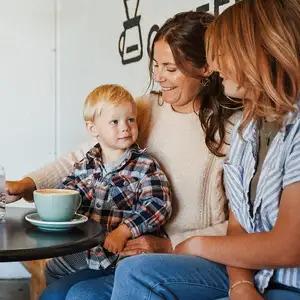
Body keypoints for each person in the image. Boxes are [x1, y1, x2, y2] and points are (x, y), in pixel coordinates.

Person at [7, 11, 241, 300]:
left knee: (82, 295)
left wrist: (168, 244)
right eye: (156, 65)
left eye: (170, 67)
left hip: (186, 256)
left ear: (206, 68)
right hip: (129, 249)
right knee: (54, 293)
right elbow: (82, 158)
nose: (158, 77)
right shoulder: (144, 108)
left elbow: (239, 226)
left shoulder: (232, 129)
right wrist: (28, 184)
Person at [104, 1, 300, 299]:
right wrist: (241, 284)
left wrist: (195, 243)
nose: (217, 66)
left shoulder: (268, 128)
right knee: (105, 282)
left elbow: (290, 246)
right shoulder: (250, 130)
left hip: (286, 282)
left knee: (132, 275)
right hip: (250, 274)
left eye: (222, 54)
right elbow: (240, 228)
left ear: (257, 52)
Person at [55, 83, 172, 270]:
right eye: (115, 122)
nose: (125, 127)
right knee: (54, 266)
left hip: (123, 256)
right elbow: (68, 189)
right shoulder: (87, 165)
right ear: (93, 129)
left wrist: (124, 231)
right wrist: (58, 203)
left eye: (131, 120)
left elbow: (158, 205)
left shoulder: (145, 166)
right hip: (88, 251)